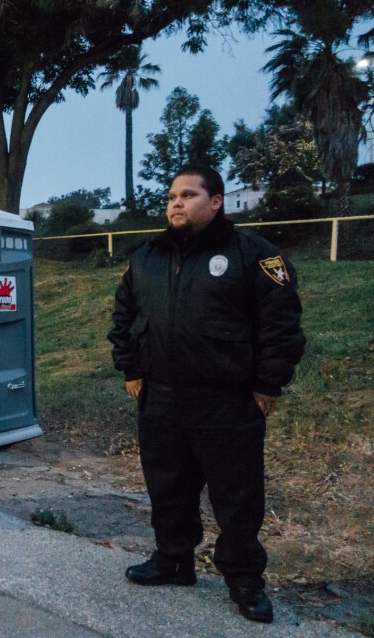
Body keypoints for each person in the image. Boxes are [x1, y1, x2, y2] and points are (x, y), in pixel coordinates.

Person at [108, 164, 305, 624]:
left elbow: (281, 324)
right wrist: (131, 369)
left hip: (227, 401)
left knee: (237, 497)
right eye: (172, 196)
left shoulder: (253, 255)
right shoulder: (146, 257)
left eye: (189, 195)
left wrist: (266, 384)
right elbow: (124, 316)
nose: (177, 202)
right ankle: (174, 560)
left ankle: (244, 580)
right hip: (160, 398)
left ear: (216, 202)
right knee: (168, 486)